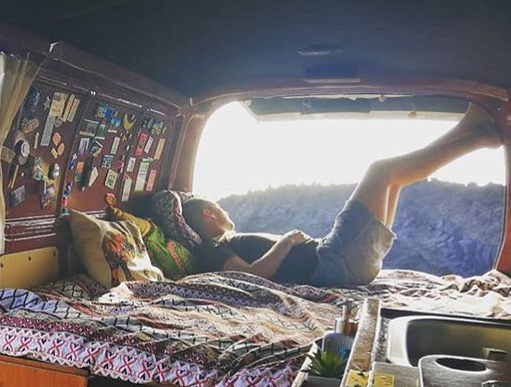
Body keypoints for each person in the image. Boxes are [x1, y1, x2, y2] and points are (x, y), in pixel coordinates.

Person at [182, 104, 502, 286]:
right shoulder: (214, 248)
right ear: (209, 215)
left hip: (338, 262)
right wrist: (287, 241)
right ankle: (479, 137)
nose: (224, 210)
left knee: (394, 181)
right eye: (217, 207)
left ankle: (469, 128)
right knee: (381, 171)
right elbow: (253, 276)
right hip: (332, 262)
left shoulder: (224, 244)